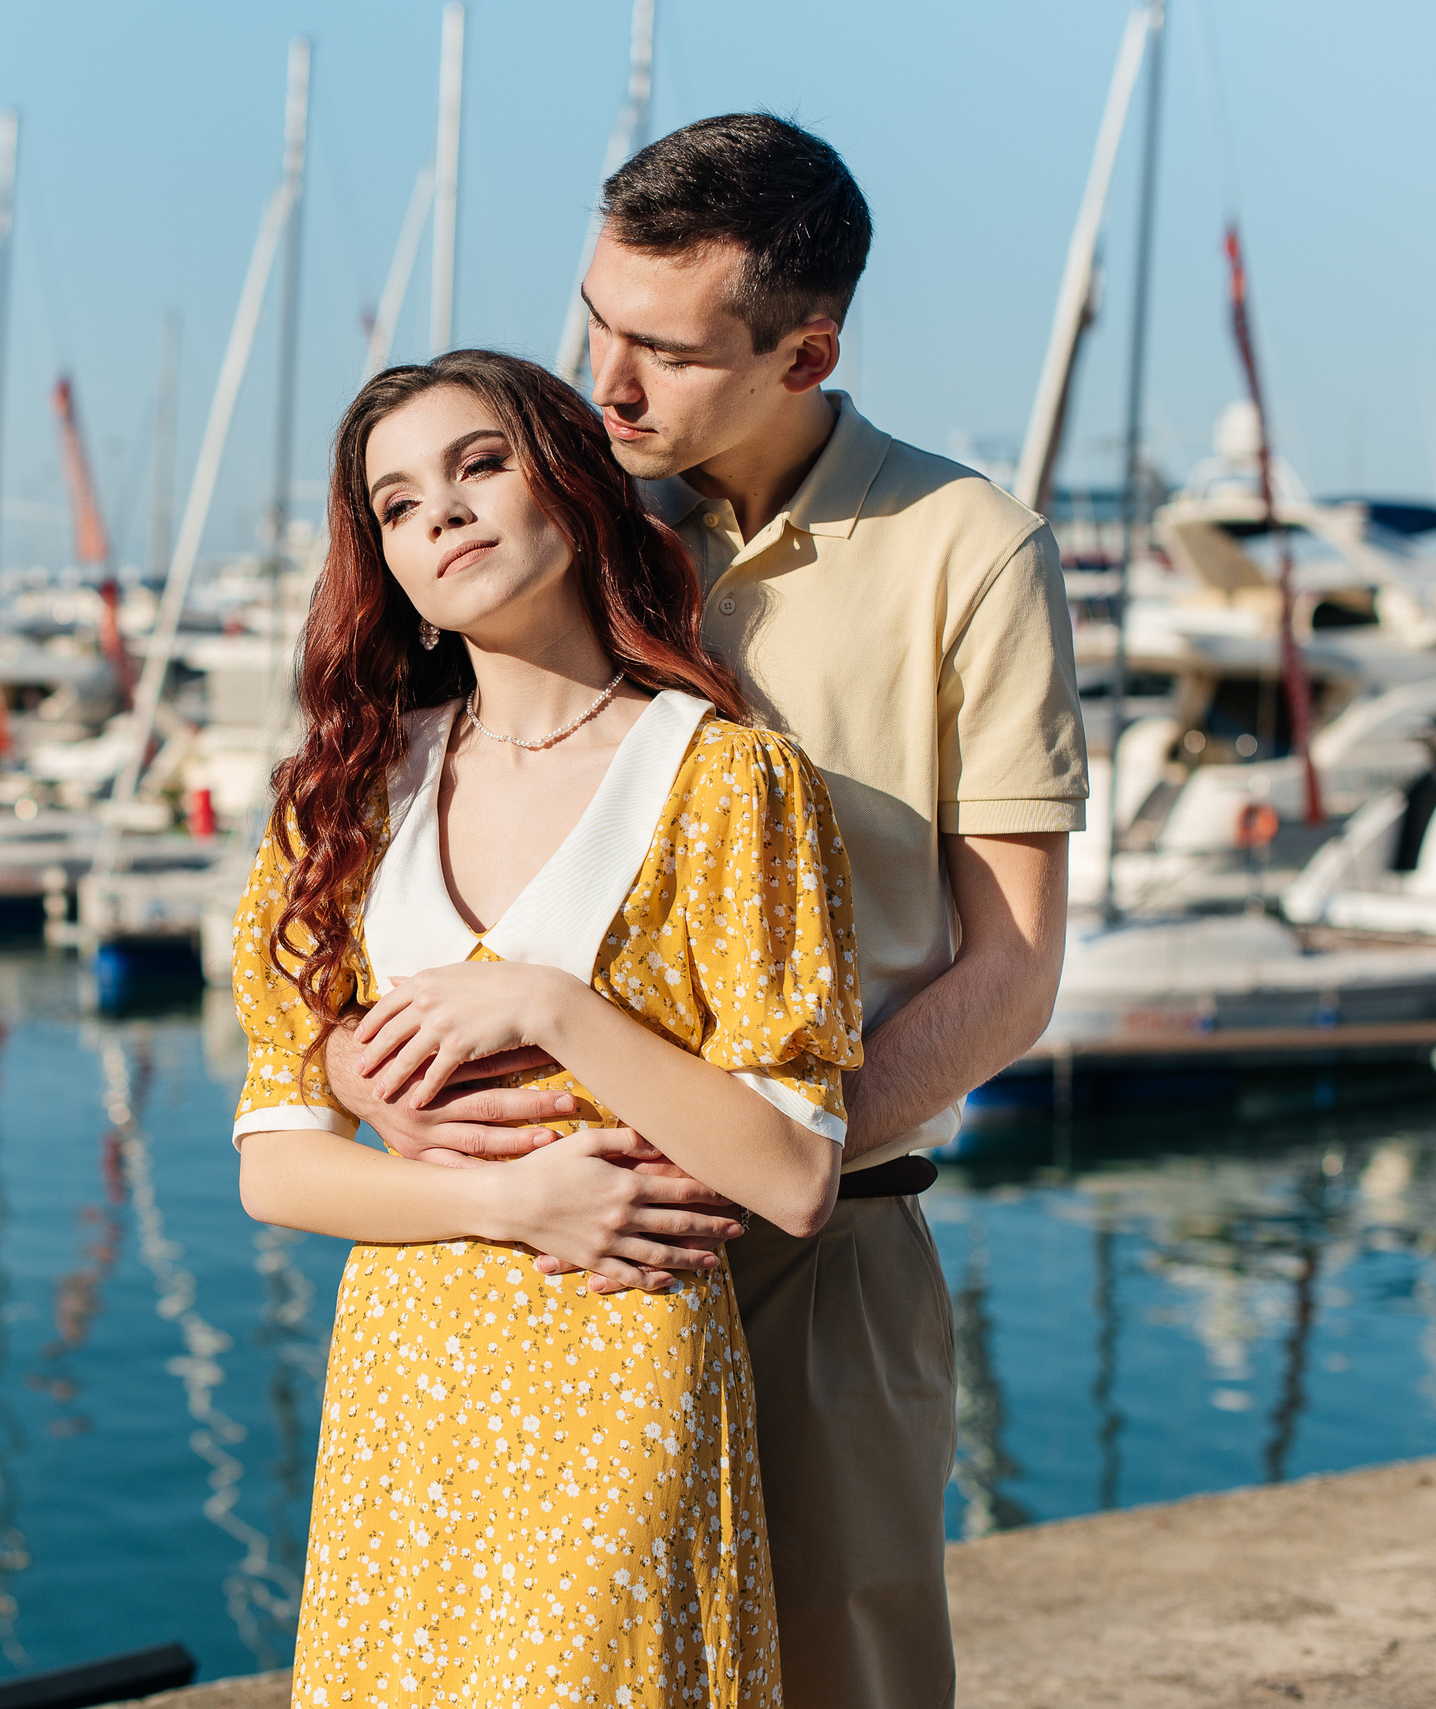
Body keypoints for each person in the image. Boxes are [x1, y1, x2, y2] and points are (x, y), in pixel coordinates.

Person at [320, 115, 1089, 1708]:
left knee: (837, 1681)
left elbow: (1011, 968)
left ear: (805, 350)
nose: (605, 384)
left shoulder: (969, 552)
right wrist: (355, 1074)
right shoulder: (548, 502)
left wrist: (749, 1168)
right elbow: (369, 852)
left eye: (662, 351)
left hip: (823, 1254)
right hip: (534, 1268)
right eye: (597, 320)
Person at [233, 348, 862, 1704]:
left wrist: (552, 1003)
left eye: (477, 467)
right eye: (396, 505)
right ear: (384, 561)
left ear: (571, 490)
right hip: (407, 1393)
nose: (441, 516)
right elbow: (276, 1164)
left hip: (623, 1372)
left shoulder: (726, 779)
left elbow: (797, 1172)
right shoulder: (341, 799)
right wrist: (513, 1198)